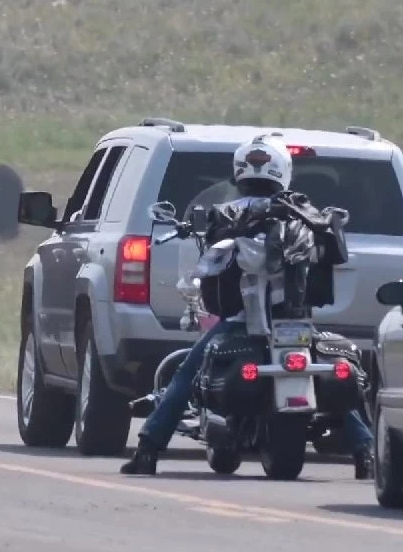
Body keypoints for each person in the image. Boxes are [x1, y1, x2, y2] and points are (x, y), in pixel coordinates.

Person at [121, 134, 376, 477]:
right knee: (324, 370)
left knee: (186, 373)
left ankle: (148, 449)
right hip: (296, 323)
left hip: (241, 320)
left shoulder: (227, 214)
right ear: (282, 171)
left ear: (240, 171)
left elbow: (209, 260)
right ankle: (366, 453)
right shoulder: (305, 213)